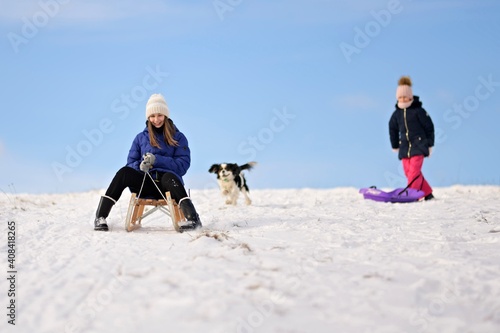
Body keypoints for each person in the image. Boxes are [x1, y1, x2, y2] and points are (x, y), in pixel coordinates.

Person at [93, 93, 202, 231]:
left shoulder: (178, 137)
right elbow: (130, 162)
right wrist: (139, 166)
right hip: (145, 183)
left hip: (167, 185)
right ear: (148, 118)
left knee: (170, 177)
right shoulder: (140, 138)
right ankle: (100, 217)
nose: (156, 120)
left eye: (159, 115)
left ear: (166, 115)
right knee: (124, 172)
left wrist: (157, 160)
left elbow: (182, 165)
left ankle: (193, 219)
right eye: (152, 116)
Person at [389, 76, 435, 200]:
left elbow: (429, 126)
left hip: (419, 145)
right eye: (400, 97)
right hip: (404, 147)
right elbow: (392, 128)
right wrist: (395, 145)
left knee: (414, 173)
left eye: (405, 96)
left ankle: (411, 195)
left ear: (410, 96)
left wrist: (430, 144)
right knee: (409, 173)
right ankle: (427, 192)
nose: (402, 99)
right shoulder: (396, 114)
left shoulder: (418, 111)